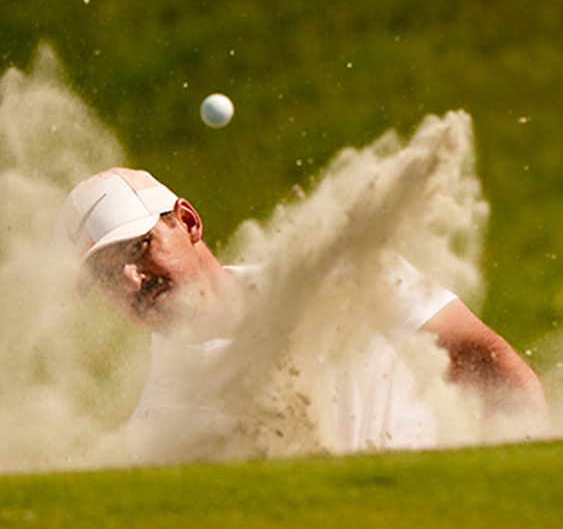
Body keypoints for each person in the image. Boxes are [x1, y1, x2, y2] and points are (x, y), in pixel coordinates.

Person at [55, 166, 549, 462]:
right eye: (106, 274)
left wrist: (535, 465)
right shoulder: (162, 423)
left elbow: (476, 355)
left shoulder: (344, 271)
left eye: (138, 248)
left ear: (187, 222)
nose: (131, 280)